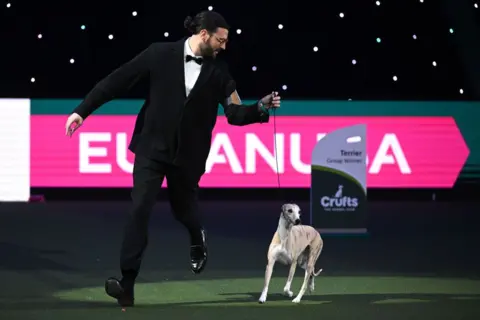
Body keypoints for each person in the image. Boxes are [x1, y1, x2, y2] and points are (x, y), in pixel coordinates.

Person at [64, 10, 281, 307]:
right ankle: (126, 285)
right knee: (139, 209)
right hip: (151, 149)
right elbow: (116, 82)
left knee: (184, 211)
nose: (224, 46)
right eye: (221, 40)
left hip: (188, 158)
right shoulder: (159, 54)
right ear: (204, 34)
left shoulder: (220, 74)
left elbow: (234, 114)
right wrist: (82, 111)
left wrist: (260, 108)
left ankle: (196, 235)